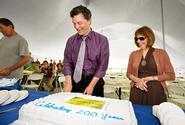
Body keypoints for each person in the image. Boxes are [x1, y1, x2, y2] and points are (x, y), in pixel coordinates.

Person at [63, 5, 109, 97]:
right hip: (74, 82)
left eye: (79, 23)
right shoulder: (71, 41)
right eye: (74, 23)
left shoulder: (102, 40)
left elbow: (102, 66)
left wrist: (91, 86)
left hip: (95, 82)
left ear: (89, 21)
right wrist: (68, 82)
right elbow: (67, 62)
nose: (76, 27)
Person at [126, 26, 175, 105]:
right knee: (135, 114)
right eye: (136, 39)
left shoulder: (161, 53)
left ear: (149, 37)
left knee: (155, 115)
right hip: (137, 89)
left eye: (141, 38)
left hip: (155, 92)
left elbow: (171, 75)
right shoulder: (133, 54)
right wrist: (138, 80)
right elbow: (128, 74)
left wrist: (151, 78)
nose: (138, 41)